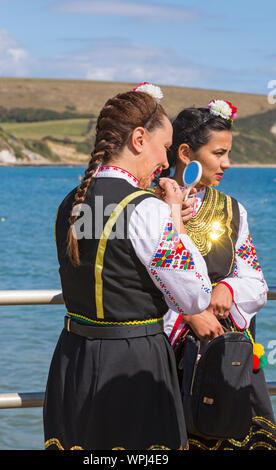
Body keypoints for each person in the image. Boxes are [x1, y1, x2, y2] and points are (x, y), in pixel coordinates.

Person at [43, 83, 213, 450]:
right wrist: (173, 217)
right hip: (134, 362)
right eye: (164, 147)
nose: (166, 162)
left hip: (74, 358)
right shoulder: (147, 210)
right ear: (139, 139)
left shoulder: (70, 203)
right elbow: (195, 296)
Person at [163, 99, 276, 450]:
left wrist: (227, 287)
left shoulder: (232, 211)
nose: (227, 163)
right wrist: (191, 311)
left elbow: (255, 280)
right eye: (219, 153)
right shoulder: (148, 206)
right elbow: (139, 282)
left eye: (228, 153)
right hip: (166, 357)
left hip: (224, 357)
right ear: (185, 152)